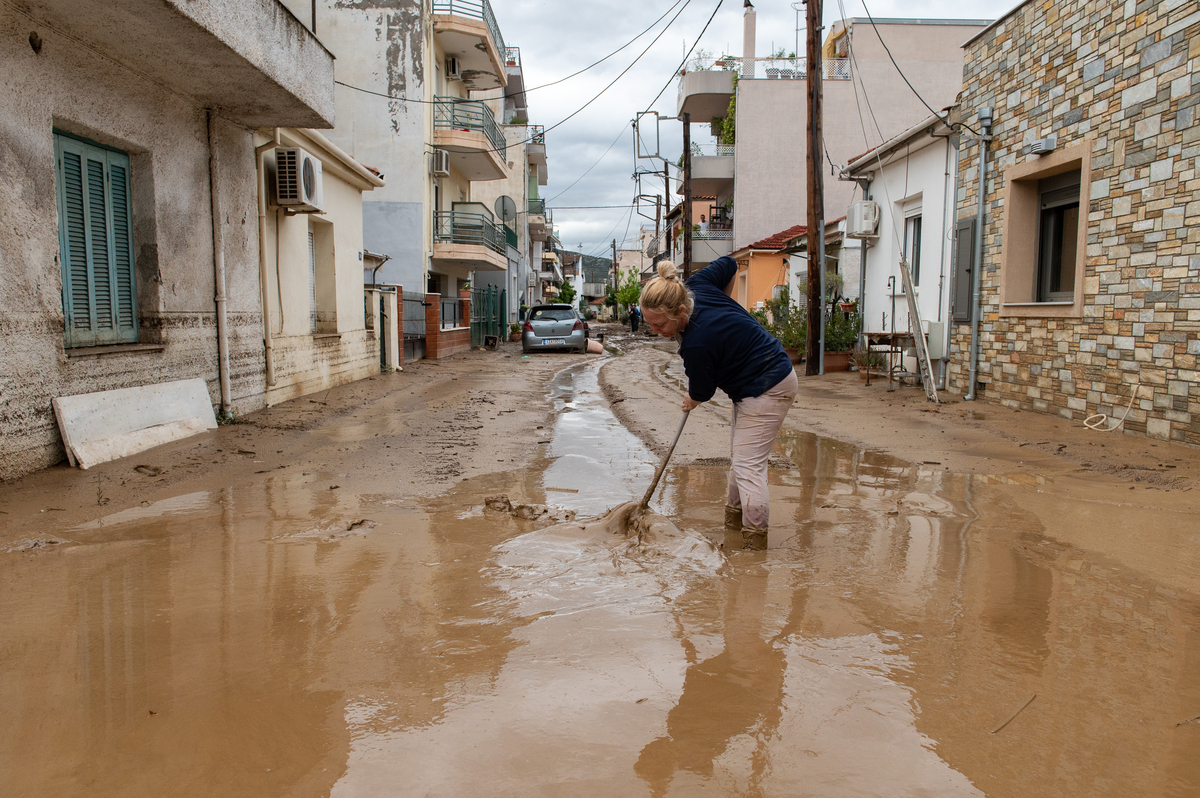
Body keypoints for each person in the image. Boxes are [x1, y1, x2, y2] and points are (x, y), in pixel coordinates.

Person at [639, 257, 797, 550]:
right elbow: (728, 265)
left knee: (748, 465)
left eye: (659, 325)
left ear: (681, 311)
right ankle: (734, 525)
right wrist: (727, 308)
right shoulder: (696, 286)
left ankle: (753, 546)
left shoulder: (697, 342)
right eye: (649, 323)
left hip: (769, 385)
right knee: (740, 459)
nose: (655, 331)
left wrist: (692, 398)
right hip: (753, 384)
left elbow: (703, 390)